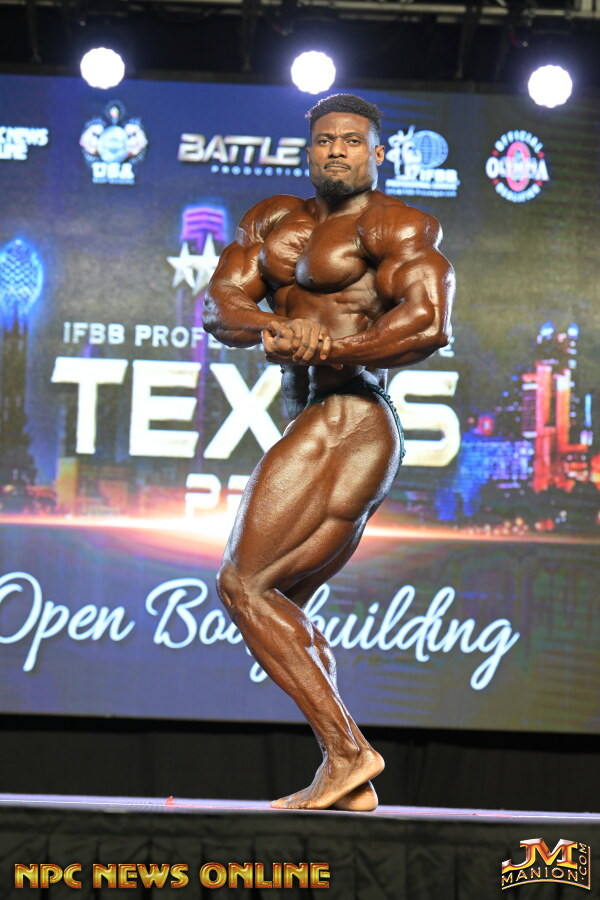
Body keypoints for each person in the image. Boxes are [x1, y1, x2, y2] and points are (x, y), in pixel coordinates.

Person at [202, 93, 454, 811]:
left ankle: (347, 753)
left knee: (243, 584)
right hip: (312, 417)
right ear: (308, 150)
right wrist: (274, 330)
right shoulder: (272, 221)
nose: (336, 150)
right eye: (324, 140)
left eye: (350, 140)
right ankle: (345, 776)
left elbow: (429, 322)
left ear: (376, 152)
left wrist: (336, 347)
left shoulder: (394, 225)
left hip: (352, 416)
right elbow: (220, 305)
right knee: (272, 598)